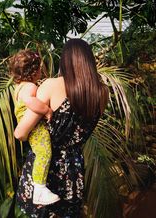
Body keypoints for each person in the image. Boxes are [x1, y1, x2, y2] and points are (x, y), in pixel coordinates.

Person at [14, 39, 109, 217]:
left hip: (44, 171)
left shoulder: (51, 85)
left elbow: (20, 132)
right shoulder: (102, 92)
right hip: (74, 169)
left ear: (65, 61)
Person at [8, 49, 60, 205]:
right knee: (44, 153)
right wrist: (46, 110)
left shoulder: (19, 87)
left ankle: (39, 188)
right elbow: (30, 101)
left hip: (29, 127)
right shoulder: (30, 87)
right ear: (33, 71)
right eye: (39, 69)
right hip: (35, 127)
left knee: (40, 153)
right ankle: (39, 190)